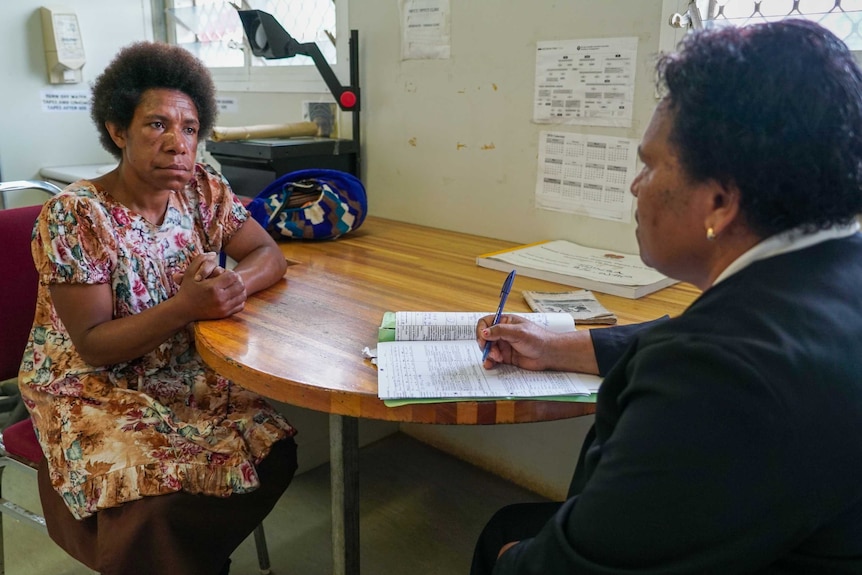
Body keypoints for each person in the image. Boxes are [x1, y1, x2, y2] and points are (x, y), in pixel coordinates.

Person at [472, 19, 862, 574]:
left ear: (721, 200)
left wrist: (510, 562)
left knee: (502, 535)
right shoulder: (830, 267)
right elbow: (694, 332)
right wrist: (561, 344)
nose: (636, 186)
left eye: (651, 164)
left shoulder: (713, 376)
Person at [17, 41, 297, 575]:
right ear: (117, 130)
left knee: (271, 443)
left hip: (180, 370)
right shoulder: (76, 216)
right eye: (157, 125)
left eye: (189, 128)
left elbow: (267, 253)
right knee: (150, 503)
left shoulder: (203, 192)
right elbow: (95, 344)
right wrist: (187, 306)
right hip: (90, 382)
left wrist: (236, 284)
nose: (177, 144)